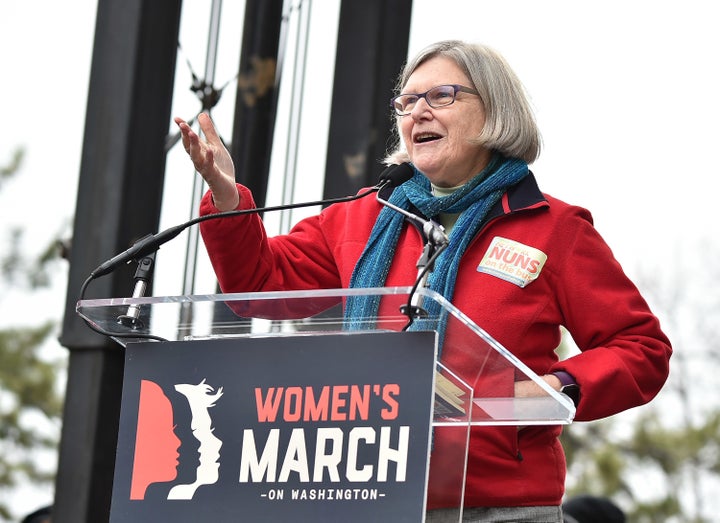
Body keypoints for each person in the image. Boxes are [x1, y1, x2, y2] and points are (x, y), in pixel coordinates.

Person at [175, 40, 672, 522]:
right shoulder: (365, 215)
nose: (418, 112)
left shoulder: (552, 229)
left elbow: (641, 348)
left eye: (441, 96)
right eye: (407, 101)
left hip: (497, 507)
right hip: (367, 491)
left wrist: (555, 387)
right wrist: (225, 199)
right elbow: (261, 286)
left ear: (496, 111)